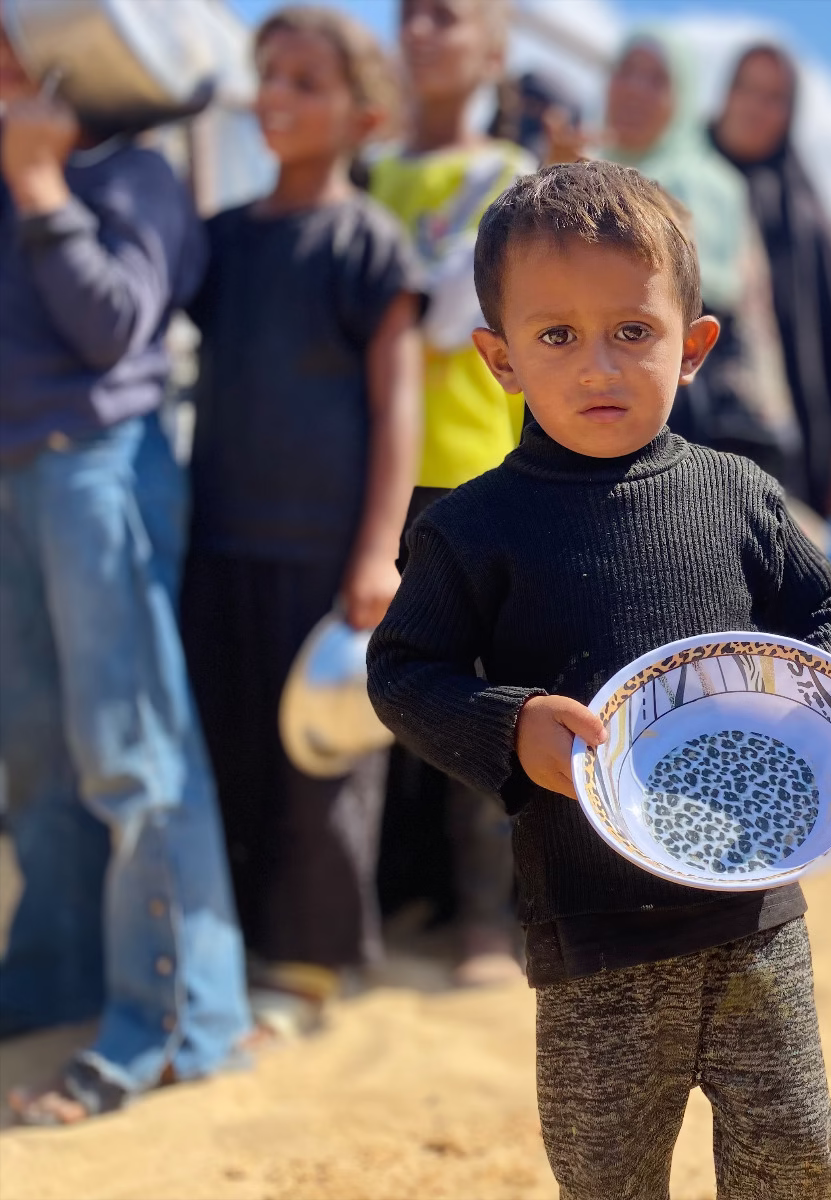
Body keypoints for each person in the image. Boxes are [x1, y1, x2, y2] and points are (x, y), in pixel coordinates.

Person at [368, 160, 831, 1196]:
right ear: (500, 360)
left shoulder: (740, 494)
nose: (597, 366)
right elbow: (403, 672)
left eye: (632, 331)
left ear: (692, 348)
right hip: (593, 934)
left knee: (793, 1152)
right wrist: (510, 728)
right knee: (608, 1176)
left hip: (754, 910)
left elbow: (820, 607)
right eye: (556, 336)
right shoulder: (472, 529)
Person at [0, 25, 250, 1123]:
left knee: (129, 745)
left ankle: (180, 1022)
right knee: (37, 750)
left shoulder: (133, 175)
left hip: (101, 468)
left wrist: (37, 182)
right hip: (19, 475)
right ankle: (52, 980)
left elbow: (111, 328)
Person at [179, 6, 421, 1036]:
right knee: (224, 746)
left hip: (322, 554)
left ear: (365, 117)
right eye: (268, 74)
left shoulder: (368, 243)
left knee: (317, 761)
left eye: (306, 82)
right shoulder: (222, 240)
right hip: (216, 540)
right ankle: (227, 948)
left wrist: (376, 553)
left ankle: (312, 963)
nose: (276, 95)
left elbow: (397, 404)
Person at [368, 0, 532, 986]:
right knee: (376, 691)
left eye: (449, 15)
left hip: (472, 467)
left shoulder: (512, 179)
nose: (424, 32)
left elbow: (468, 323)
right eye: (411, 14)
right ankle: (392, 898)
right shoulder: (367, 174)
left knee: (473, 695)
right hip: (363, 477)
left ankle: (483, 920)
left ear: (493, 48)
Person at [551, 31, 799, 485]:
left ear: (681, 99)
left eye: (656, 80)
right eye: (626, 72)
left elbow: (697, 297)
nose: (634, 90)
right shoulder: (578, 173)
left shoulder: (708, 183)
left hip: (686, 426)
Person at [710, 42, 831, 525]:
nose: (755, 107)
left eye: (774, 98)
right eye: (746, 89)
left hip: (778, 441)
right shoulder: (681, 176)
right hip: (682, 419)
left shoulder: (809, 220)